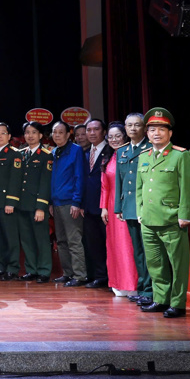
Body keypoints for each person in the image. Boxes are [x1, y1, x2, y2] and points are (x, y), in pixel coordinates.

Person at [136, 107, 190, 318]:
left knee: (177, 264)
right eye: (152, 129)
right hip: (149, 219)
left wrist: (184, 215)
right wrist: (140, 212)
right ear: (147, 133)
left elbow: (188, 188)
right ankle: (160, 299)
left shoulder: (180, 156)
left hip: (172, 219)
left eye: (161, 129)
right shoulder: (144, 156)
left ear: (170, 133)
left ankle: (177, 303)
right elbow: (139, 188)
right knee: (155, 264)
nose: (156, 133)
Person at [115, 112, 153, 306]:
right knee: (137, 251)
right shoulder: (121, 151)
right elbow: (119, 182)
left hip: (145, 207)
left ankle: (150, 290)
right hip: (129, 207)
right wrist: (118, 208)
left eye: (137, 125)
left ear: (144, 128)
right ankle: (142, 288)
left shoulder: (150, 148)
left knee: (149, 251)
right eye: (129, 125)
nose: (132, 129)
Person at [100, 122, 137, 297]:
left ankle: (131, 285)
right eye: (111, 137)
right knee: (113, 246)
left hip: (124, 206)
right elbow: (104, 186)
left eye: (118, 136)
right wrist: (103, 208)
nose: (114, 139)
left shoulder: (129, 154)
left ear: (125, 136)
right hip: (110, 208)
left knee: (126, 246)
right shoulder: (109, 156)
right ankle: (117, 283)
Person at [49, 121, 89, 287]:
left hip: (70, 203)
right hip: (56, 203)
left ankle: (80, 275)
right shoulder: (53, 152)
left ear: (67, 134)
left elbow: (80, 177)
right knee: (62, 241)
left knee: (74, 240)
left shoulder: (76, 150)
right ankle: (67, 273)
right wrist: (51, 202)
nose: (57, 135)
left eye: (60, 132)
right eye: (54, 132)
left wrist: (76, 202)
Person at [17, 121, 53, 283]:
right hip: (22, 204)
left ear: (40, 135)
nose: (30, 136)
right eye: (27, 132)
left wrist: (41, 207)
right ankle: (31, 269)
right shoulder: (21, 153)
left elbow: (45, 183)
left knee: (41, 239)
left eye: (33, 132)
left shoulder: (46, 155)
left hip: (37, 205)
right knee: (26, 239)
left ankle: (44, 271)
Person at [0, 123, 23, 281]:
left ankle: (12, 267)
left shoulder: (14, 154)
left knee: (10, 236)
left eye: (3, 133)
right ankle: (2, 266)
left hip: (6, 203)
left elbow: (15, 181)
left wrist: (11, 202)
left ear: (9, 136)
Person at [82, 118, 109, 289]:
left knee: (108, 244)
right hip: (88, 206)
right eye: (89, 130)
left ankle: (109, 277)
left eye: (96, 129)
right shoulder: (85, 152)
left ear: (104, 132)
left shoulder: (111, 151)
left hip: (106, 206)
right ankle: (97, 275)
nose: (92, 133)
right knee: (92, 243)